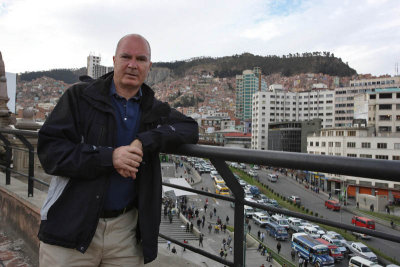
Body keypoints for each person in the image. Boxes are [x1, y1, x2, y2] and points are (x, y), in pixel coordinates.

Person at [36, 34, 199, 266]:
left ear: (149, 67)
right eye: (126, 57)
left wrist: (145, 140)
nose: (133, 65)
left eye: (141, 59)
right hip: (71, 225)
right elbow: (50, 151)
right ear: (114, 60)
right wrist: (109, 157)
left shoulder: (153, 109)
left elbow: (190, 128)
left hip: (125, 232)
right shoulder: (79, 97)